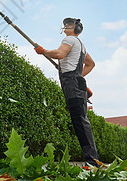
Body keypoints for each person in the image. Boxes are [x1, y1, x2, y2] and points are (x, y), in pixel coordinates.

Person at [34, 17, 100, 167]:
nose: (65, 27)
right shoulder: (81, 46)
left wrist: (43, 51)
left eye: (68, 25)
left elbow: (59, 54)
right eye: (64, 25)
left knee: (80, 122)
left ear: (75, 28)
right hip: (75, 82)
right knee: (81, 121)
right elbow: (91, 64)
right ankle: (93, 160)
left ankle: (93, 162)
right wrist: (79, 76)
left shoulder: (70, 40)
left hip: (72, 83)